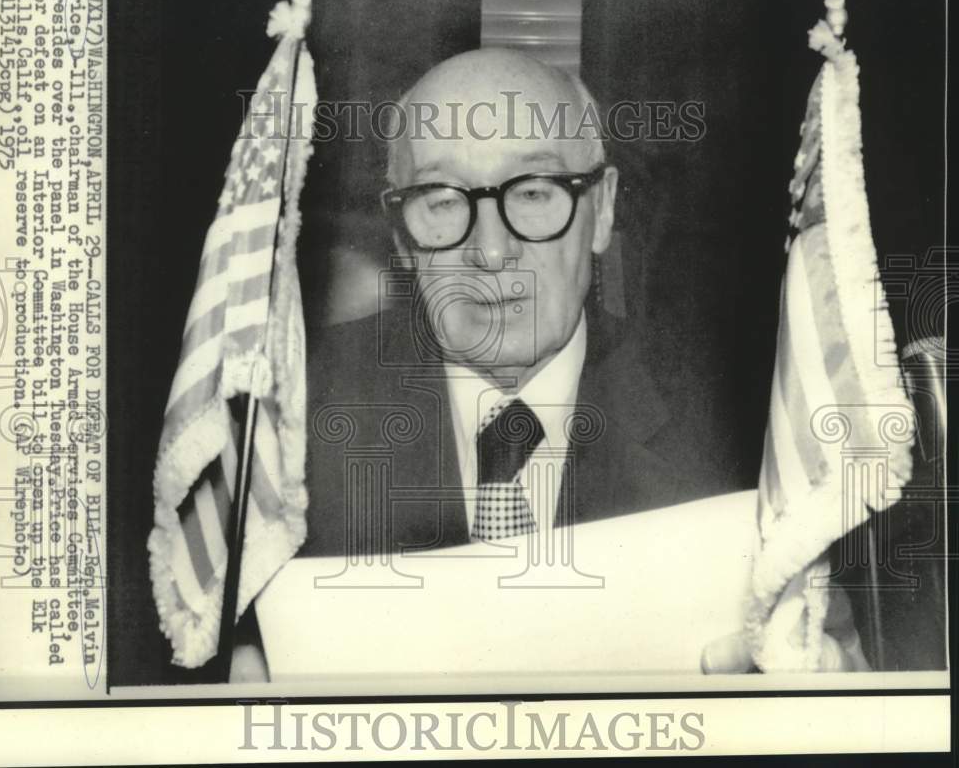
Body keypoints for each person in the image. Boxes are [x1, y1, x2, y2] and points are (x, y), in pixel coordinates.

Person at [233, 48, 866, 678]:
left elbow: (849, 676)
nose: (491, 251)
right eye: (443, 200)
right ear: (400, 236)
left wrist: (818, 694)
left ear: (603, 210)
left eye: (534, 192)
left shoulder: (748, 439)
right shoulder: (282, 432)